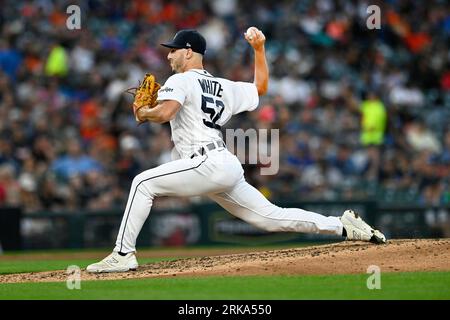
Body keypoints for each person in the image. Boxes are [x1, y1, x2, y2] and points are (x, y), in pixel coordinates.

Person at [87, 28, 386, 273]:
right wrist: (259, 49)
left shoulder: (179, 80)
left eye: (174, 49)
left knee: (142, 182)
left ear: (189, 51)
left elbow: (165, 113)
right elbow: (261, 86)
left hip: (204, 161)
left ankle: (123, 253)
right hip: (224, 164)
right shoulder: (223, 85)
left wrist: (142, 112)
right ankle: (342, 226)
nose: (169, 54)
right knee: (271, 217)